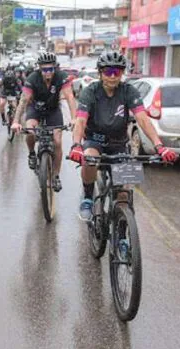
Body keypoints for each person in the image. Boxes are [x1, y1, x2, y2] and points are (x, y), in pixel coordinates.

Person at [68, 51, 177, 221]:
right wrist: (76, 145)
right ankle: (88, 197)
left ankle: (122, 234)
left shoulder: (128, 91)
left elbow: (142, 118)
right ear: (100, 73)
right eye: (108, 72)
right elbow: (81, 121)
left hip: (119, 144)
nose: (113, 76)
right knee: (90, 159)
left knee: (124, 196)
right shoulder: (90, 91)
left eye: (117, 72)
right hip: (94, 141)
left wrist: (159, 146)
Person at [11, 52, 77, 192]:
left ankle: (56, 176)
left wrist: (74, 118)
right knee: (30, 131)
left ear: (55, 68)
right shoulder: (32, 78)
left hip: (53, 110)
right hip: (35, 108)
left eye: (50, 69)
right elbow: (23, 100)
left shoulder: (61, 77)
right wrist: (16, 121)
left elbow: (70, 97)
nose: (47, 72)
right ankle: (31, 154)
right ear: (39, 69)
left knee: (58, 141)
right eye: (44, 69)